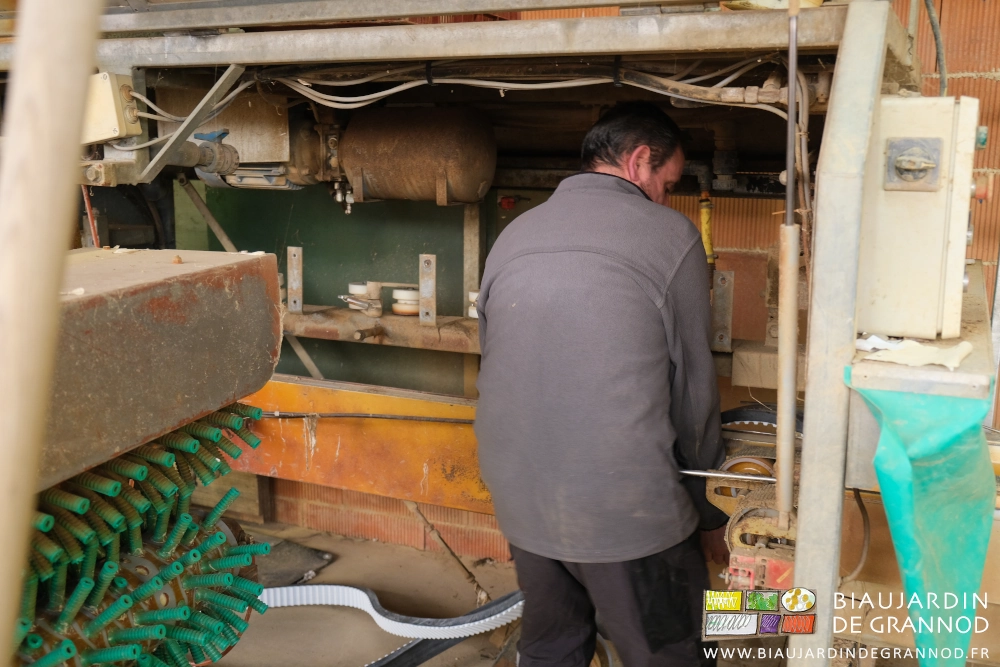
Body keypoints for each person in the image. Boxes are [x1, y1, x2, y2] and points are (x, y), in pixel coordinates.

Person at [474, 102, 729, 667]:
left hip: (523, 497)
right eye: (668, 182)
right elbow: (693, 394)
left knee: (552, 646)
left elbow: (492, 357)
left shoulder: (517, 231)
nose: (668, 196)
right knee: (666, 650)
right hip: (627, 506)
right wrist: (710, 509)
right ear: (640, 161)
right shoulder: (671, 236)